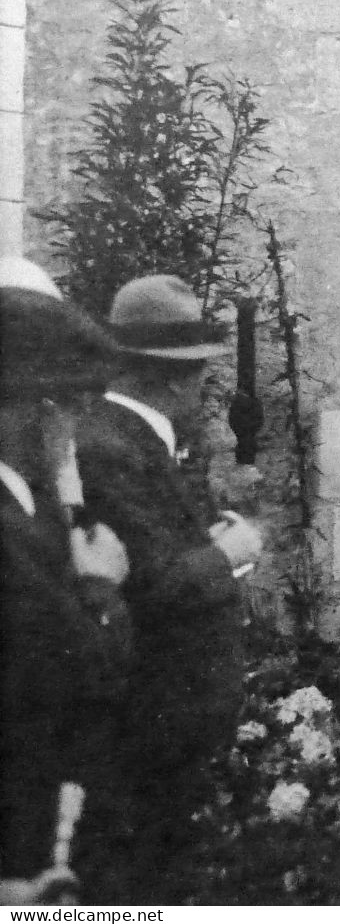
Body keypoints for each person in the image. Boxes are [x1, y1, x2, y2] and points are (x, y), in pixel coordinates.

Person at [74, 275, 263, 901]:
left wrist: (210, 544)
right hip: (152, 722)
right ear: (180, 377)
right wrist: (228, 552)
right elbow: (144, 584)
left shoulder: (130, 439)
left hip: (166, 719)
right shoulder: (114, 448)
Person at [0, 269, 133, 904]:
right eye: (80, 403)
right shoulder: (9, 527)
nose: (84, 422)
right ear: (45, 411)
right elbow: (73, 680)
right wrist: (101, 589)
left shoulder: (25, 507)